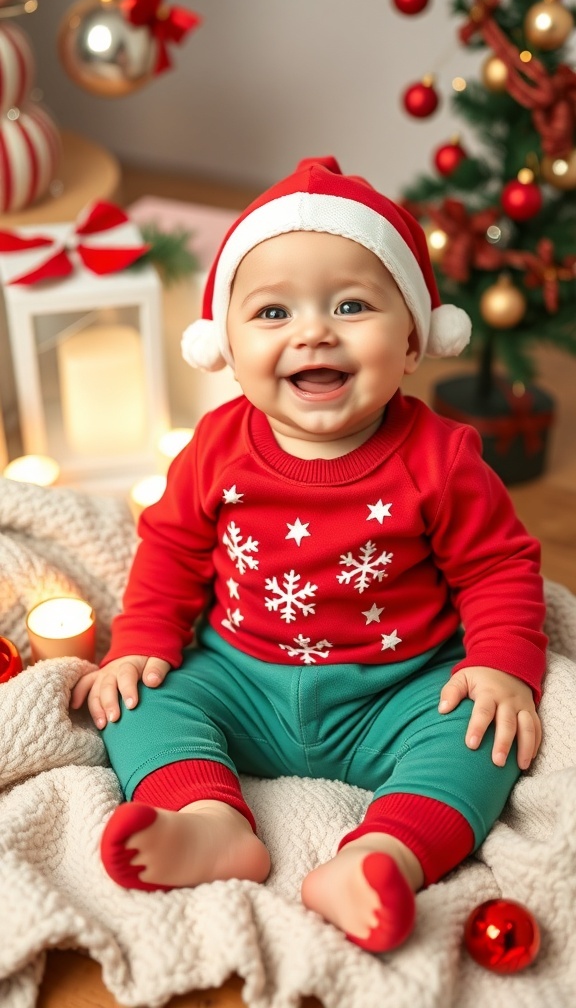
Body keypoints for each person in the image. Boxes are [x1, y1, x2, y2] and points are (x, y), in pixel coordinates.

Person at [71, 156, 547, 954]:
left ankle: (380, 853)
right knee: (134, 698)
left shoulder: (440, 458)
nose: (313, 331)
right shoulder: (217, 447)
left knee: (482, 734)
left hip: (395, 693)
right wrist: (143, 642)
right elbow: (172, 545)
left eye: (353, 305)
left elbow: (497, 566)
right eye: (272, 313)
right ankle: (210, 820)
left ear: (411, 341)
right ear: (224, 343)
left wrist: (502, 662)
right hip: (240, 679)